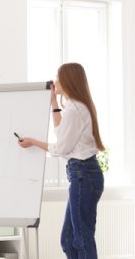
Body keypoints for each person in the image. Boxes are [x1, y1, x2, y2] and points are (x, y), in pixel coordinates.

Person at [18, 63, 105, 259]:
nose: (55, 80)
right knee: (68, 239)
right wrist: (54, 101)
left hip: (84, 175)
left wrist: (32, 142)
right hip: (83, 175)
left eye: (57, 77)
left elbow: (61, 148)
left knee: (81, 239)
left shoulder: (75, 109)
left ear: (67, 80)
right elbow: (61, 134)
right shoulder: (76, 106)